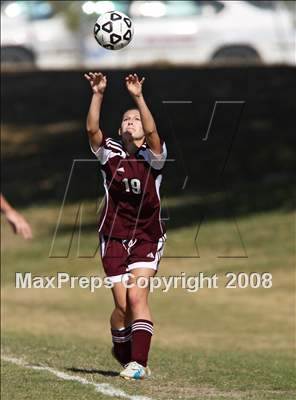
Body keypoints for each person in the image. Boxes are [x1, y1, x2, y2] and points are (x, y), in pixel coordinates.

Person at [84, 71, 167, 380]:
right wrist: (98, 93)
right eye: (126, 119)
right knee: (122, 308)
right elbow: (92, 129)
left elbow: (154, 132)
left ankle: (139, 364)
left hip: (147, 236)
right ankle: (122, 348)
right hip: (114, 237)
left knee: (136, 297)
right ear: (120, 129)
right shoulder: (110, 154)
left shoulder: (154, 157)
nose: (132, 122)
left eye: (136, 119)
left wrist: (138, 98)